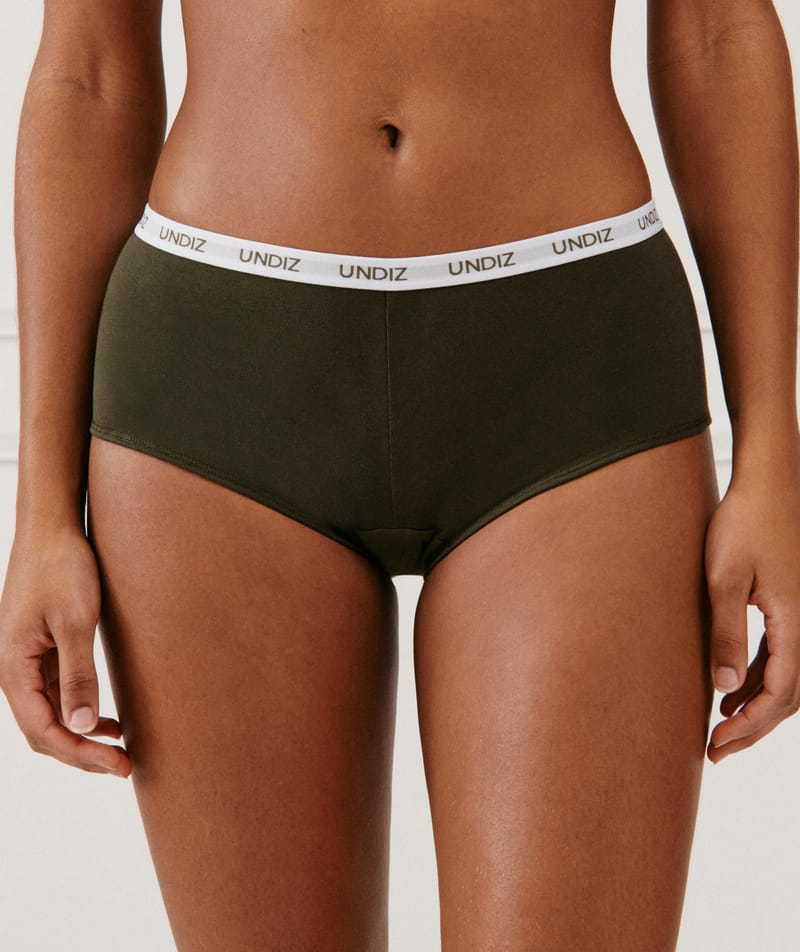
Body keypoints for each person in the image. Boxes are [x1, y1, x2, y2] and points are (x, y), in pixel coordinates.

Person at [0, 0, 798, 949]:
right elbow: (89, 75)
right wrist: (43, 511)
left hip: (573, 371)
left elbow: (717, 35)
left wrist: (772, 462)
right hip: (222, 380)